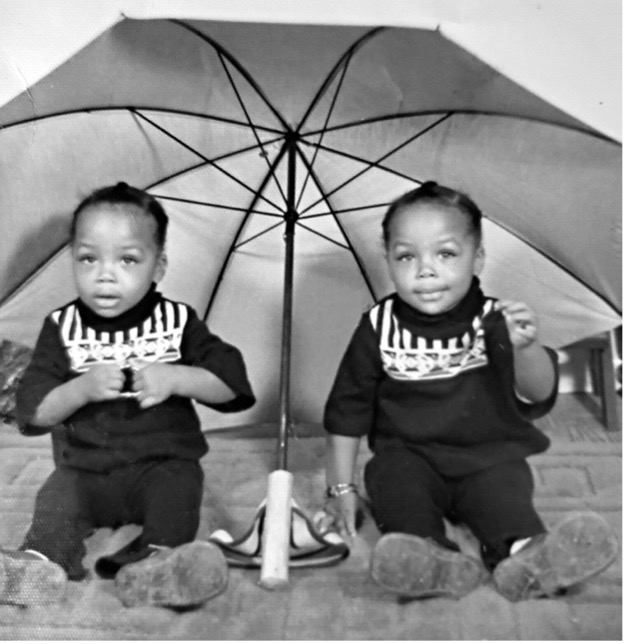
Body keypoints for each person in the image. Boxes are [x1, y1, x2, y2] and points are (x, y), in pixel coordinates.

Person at [321, 181, 618, 601]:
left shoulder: (496, 320)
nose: (425, 270)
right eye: (406, 256)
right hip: (409, 457)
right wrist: (341, 489)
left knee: (505, 499)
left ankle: (526, 556)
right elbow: (346, 412)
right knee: (394, 492)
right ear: (387, 261)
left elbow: (537, 393)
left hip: (487, 456)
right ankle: (429, 559)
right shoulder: (377, 326)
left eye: (445, 254)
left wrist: (527, 350)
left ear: (477, 259)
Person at [4, 182, 255, 609]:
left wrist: (177, 378)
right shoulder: (62, 326)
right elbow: (34, 412)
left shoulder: (177, 321)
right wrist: (79, 388)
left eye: (127, 259)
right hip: (85, 470)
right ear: (73, 260)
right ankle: (40, 562)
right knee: (56, 500)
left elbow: (231, 384)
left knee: (179, 495)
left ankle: (157, 564)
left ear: (158, 267)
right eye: (88, 258)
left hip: (161, 466)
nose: (105, 273)